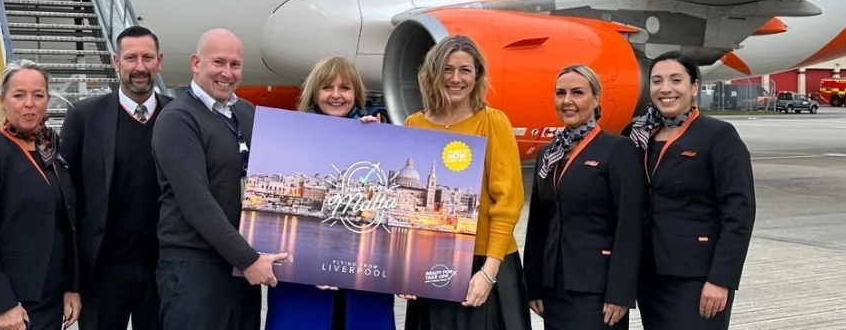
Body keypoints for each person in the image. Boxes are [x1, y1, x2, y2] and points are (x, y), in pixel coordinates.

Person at [152, 28, 289, 330]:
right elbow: (196, 201)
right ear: (196, 63)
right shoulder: (178, 119)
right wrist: (248, 259)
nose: (227, 73)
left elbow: (291, 162)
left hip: (240, 271)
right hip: (195, 272)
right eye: (218, 62)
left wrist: (360, 129)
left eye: (235, 65)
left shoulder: (246, 112)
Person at [400, 35, 531, 330]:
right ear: (433, 73)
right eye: (447, 69)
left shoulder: (492, 122)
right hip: (428, 263)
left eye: (465, 70)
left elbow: (508, 202)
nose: (455, 78)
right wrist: (403, 272)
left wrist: (488, 272)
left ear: (478, 76)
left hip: (485, 264)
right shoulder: (414, 124)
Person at [621, 51, 756, 330]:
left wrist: (721, 279)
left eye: (676, 80)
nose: (665, 88)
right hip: (649, 275)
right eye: (657, 81)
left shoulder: (718, 136)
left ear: (694, 87)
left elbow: (739, 212)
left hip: (697, 278)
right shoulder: (635, 136)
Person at [264, 56, 395, 330]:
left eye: (345, 88)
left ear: (356, 94)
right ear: (314, 92)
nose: (336, 95)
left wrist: (381, 141)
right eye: (327, 87)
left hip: (362, 287)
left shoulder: (380, 136)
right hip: (302, 287)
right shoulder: (288, 136)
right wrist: (310, 265)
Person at [0, 60, 81, 330]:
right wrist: (2, 304)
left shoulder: (52, 151)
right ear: (3, 100)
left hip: (49, 295)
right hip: (13, 302)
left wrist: (72, 286)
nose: (29, 103)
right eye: (19, 95)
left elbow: (65, 225)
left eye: (38, 95)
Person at [60, 26, 170, 330]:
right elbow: (67, 200)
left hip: (162, 271)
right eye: (131, 57)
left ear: (159, 61)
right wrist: (71, 279)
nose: (140, 67)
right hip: (102, 272)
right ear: (116, 61)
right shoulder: (84, 117)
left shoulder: (178, 116)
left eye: (147, 57)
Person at [524, 65, 645, 330]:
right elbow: (539, 223)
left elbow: (630, 224)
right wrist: (533, 284)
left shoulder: (618, 149)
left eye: (577, 93)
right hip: (553, 287)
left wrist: (620, 293)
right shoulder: (549, 154)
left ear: (596, 99)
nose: (567, 101)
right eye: (560, 93)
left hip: (597, 289)